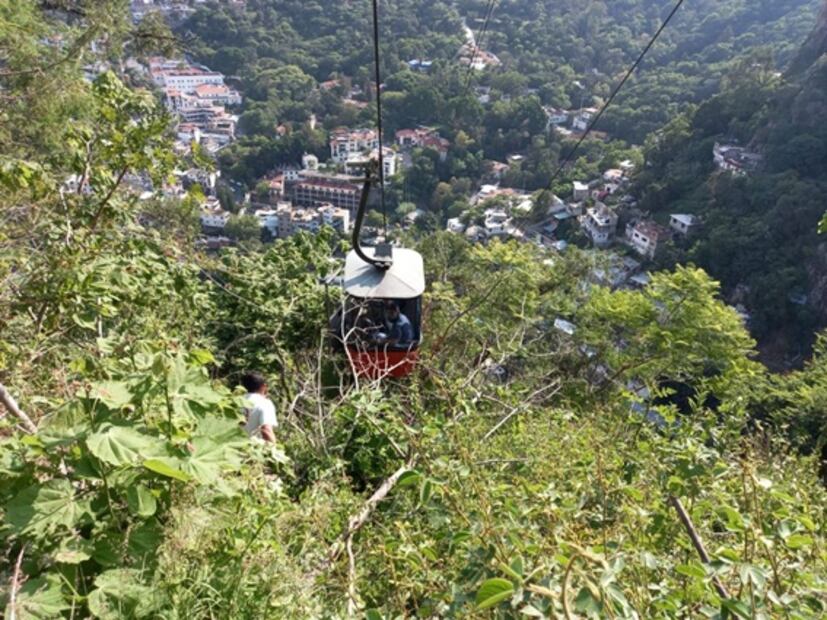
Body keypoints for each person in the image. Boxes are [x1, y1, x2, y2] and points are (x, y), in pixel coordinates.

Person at [240, 372, 276, 443]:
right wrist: (274, 449)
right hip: (253, 448)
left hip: (232, 447)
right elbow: (266, 430)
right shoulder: (265, 403)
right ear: (263, 386)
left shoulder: (236, 402)